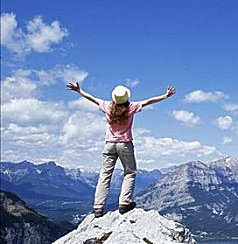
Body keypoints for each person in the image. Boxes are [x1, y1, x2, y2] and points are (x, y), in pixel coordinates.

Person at [67, 82, 175, 217]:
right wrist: (165, 96)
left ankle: (98, 207)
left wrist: (79, 91)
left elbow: (92, 98)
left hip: (109, 144)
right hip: (125, 144)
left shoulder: (107, 106)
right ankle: (124, 203)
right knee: (130, 172)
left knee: (105, 175)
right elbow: (149, 101)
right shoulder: (131, 107)